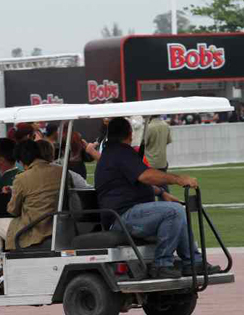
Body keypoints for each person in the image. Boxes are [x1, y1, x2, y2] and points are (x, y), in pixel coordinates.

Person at [94, 117, 220, 279]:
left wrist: (162, 193)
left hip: (128, 213)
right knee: (173, 212)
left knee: (177, 210)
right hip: (121, 217)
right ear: (129, 134)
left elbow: (135, 180)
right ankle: (162, 264)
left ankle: (193, 262)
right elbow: (146, 176)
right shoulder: (120, 153)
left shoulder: (115, 153)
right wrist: (178, 179)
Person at [0, 140, 62, 295]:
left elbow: (12, 210)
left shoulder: (22, 178)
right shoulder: (60, 171)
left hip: (32, 229)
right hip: (56, 225)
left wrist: (14, 194)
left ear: (21, 161)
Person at [144, 116, 173, 196]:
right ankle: (167, 206)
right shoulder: (165, 125)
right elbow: (168, 141)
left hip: (150, 162)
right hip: (162, 161)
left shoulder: (149, 127)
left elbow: (144, 143)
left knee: (149, 189)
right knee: (164, 188)